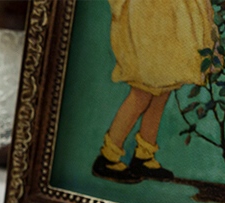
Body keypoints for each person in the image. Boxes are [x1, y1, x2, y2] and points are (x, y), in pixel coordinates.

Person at [92, 0, 217, 182]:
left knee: (163, 90)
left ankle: (144, 155)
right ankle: (108, 156)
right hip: (149, 18)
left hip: (170, 18)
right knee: (142, 92)